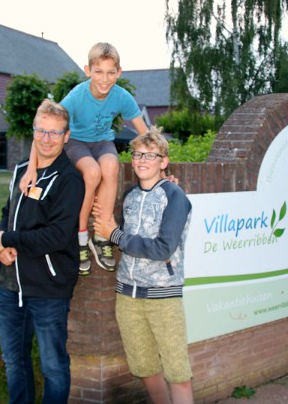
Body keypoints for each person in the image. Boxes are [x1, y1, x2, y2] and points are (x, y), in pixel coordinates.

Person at [20, 42, 148, 276]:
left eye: (111, 72)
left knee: (110, 166)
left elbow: (145, 133)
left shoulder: (121, 96)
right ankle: (80, 239)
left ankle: (102, 236)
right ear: (88, 71)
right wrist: (32, 168)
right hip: (76, 143)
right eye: (98, 71)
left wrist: (161, 162)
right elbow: (45, 128)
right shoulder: (77, 96)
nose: (105, 78)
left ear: (119, 73)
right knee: (92, 172)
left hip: (102, 143)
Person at [0, 99, 85, 404]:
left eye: (55, 133)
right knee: (14, 362)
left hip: (48, 289)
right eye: (41, 131)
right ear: (33, 132)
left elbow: (56, 236)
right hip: (10, 286)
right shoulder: (21, 169)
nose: (47, 138)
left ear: (66, 136)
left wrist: (8, 239)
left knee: (53, 367)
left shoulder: (69, 180)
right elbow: (8, 211)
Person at [92, 126, 194, 404]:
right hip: (128, 297)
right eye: (137, 154)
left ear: (164, 162)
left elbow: (163, 249)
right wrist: (114, 234)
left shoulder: (175, 197)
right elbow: (127, 240)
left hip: (163, 296)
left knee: (178, 372)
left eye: (151, 155)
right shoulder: (130, 196)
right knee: (146, 369)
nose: (142, 160)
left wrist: (114, 234)